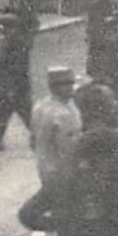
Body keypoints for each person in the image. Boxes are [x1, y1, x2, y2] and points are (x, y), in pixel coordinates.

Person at [0, 0, 40, 148]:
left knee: (7, 112)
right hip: (13, 83)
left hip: (13, 84)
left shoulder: (16, 41)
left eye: (5, 28)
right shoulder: (15, 39)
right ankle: (36, 139)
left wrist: (8, 85)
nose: (2, 30)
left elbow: (15, 65)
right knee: (16, 112)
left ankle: (36, 139)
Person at [30, 66, 83, 195]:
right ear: (54, 87)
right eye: (65, 84)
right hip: (63, 172)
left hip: (44, 167)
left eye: (71, 83)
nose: (71, 87)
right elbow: (70, 148)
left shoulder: (40, 105)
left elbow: (33, 139)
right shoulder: (62, 114)